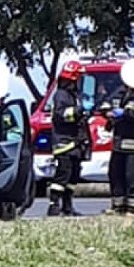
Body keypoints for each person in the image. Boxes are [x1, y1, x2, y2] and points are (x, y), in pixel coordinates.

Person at [103, 58, 134, 216]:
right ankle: (117, 206)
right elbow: (106, 103)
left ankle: (133, 208)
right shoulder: (121, 91)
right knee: (115, 174)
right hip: (118, 144)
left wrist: (124, 113)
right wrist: (108, 112)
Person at [48, 59, 87, 217]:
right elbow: (60, 115)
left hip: (75, 142)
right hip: (64, 142)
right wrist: (77, 112)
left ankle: (67, 206)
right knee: (62, 174)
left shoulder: (73, 95)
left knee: (73, 175)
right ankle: (54, 206)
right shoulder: (61, 95)